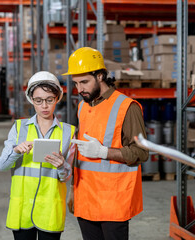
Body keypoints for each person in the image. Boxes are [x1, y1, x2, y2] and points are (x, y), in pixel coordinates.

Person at [63, 47, 149, 240]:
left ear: (100, 76)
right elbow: (80, 154)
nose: (80, 89)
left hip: (113, 201)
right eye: (76, 83)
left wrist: (104, 152)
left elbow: (141, 153)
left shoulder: (127, 107)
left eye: (84, 82)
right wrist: (72, 190)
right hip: (85, 197)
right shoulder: (83, 106)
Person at [0, 71, 76, 240]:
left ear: (57, 98)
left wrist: (62, 166)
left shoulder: (68, 132)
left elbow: (67, 176)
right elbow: (2, 165)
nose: (44, 106)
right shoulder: (19, 128)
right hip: (22, 208)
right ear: (31, 100)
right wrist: (16, 151)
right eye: (38, 101)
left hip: (49, 209)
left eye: (49, 100)